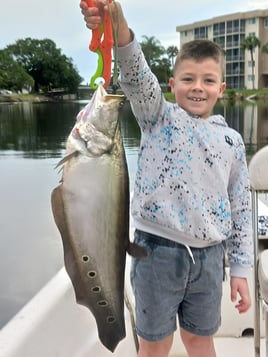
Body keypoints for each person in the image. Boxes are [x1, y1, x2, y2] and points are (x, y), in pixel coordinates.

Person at [80, 2, 253, 357]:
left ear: (221, 87)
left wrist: (239, 268)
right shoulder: (157, 116)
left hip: (209, 259)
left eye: (207, 81)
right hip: (154, 252)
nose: (197, 88)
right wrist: (118, 23)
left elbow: (241, 208)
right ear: (172, 84)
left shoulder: (232, 142)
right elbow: (135, 72)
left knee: (199, 340)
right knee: (155, 343)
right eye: (188, 79)